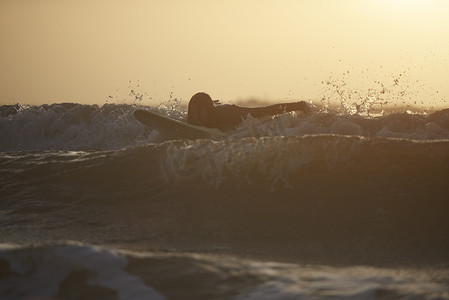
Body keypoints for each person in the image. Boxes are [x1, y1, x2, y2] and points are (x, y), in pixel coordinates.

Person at [187, 92, 311, 132]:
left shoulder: (226, 115)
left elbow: (264, 111)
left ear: (209, 111)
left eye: (200, 111)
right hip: (216, 108)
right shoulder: (197, 118)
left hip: (233, 113)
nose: (195, 116)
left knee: (261, 112)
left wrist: (297, 106)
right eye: (192, 112)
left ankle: (299, 104)